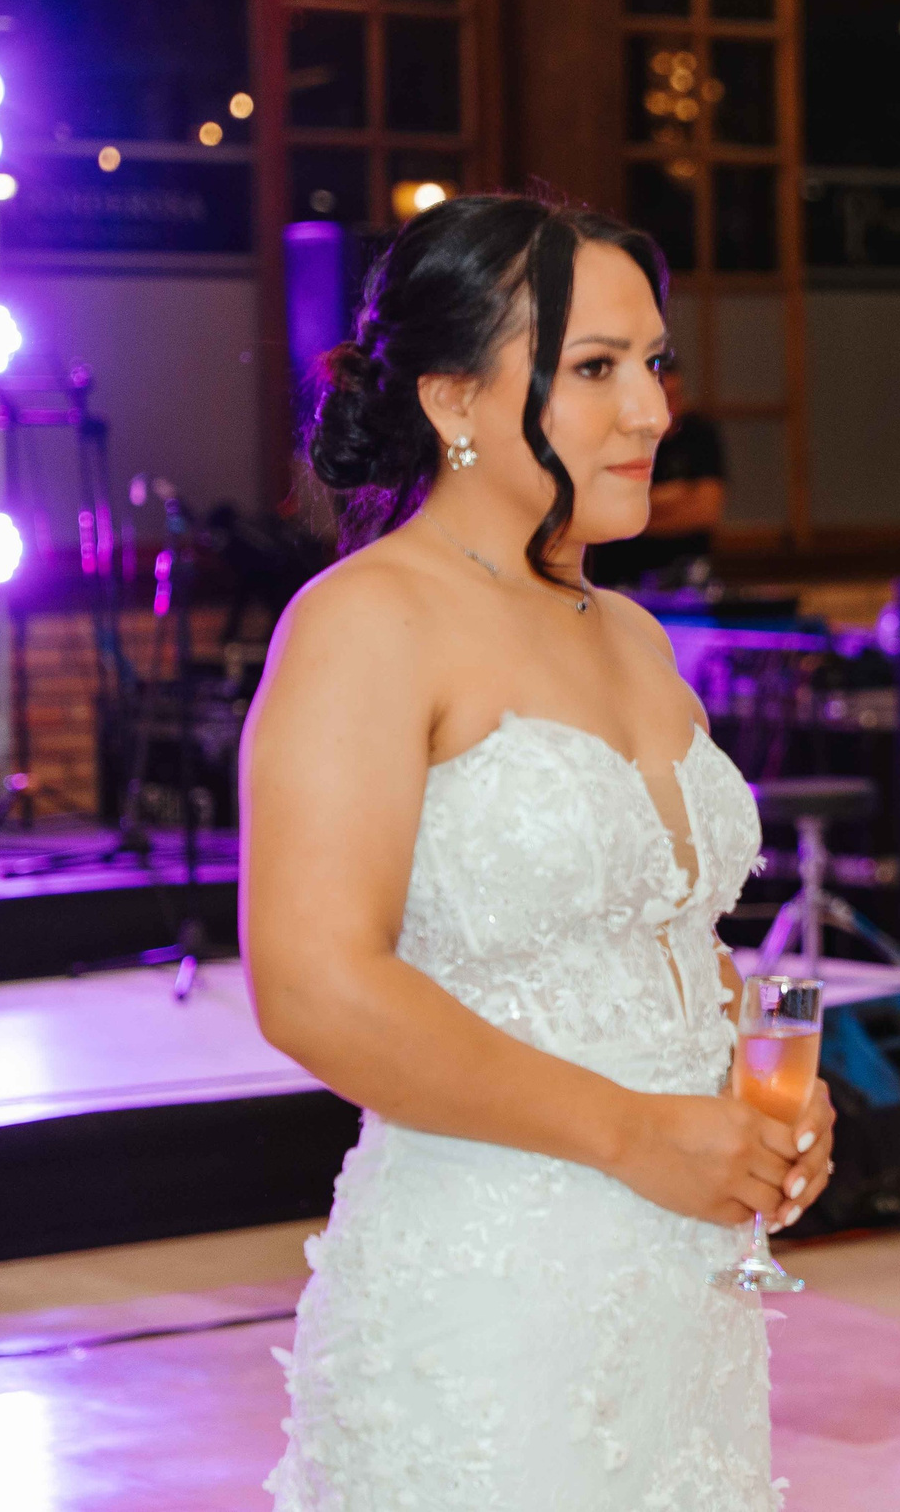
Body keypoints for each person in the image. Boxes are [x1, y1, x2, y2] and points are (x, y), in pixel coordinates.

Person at [242, 195, 835, 1510]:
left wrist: (762, 1091)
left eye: (655, 363)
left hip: (679, 1298)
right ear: (453, 396)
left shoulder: (631, 633)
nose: (652, 411)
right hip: (488, 1293)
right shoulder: (367, 620)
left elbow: (659, 932)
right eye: (595, 368)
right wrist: (632, 1130)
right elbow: (313, 984)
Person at [587, 353, 728, 588]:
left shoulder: (698, 433)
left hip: (689, 573)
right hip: (620, 574)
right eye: (664, 397)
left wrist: (638, 511)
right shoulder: (618, 434)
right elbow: (602, 511)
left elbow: (706, 511)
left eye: (677, 395)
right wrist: (677, 495)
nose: (670, 409)